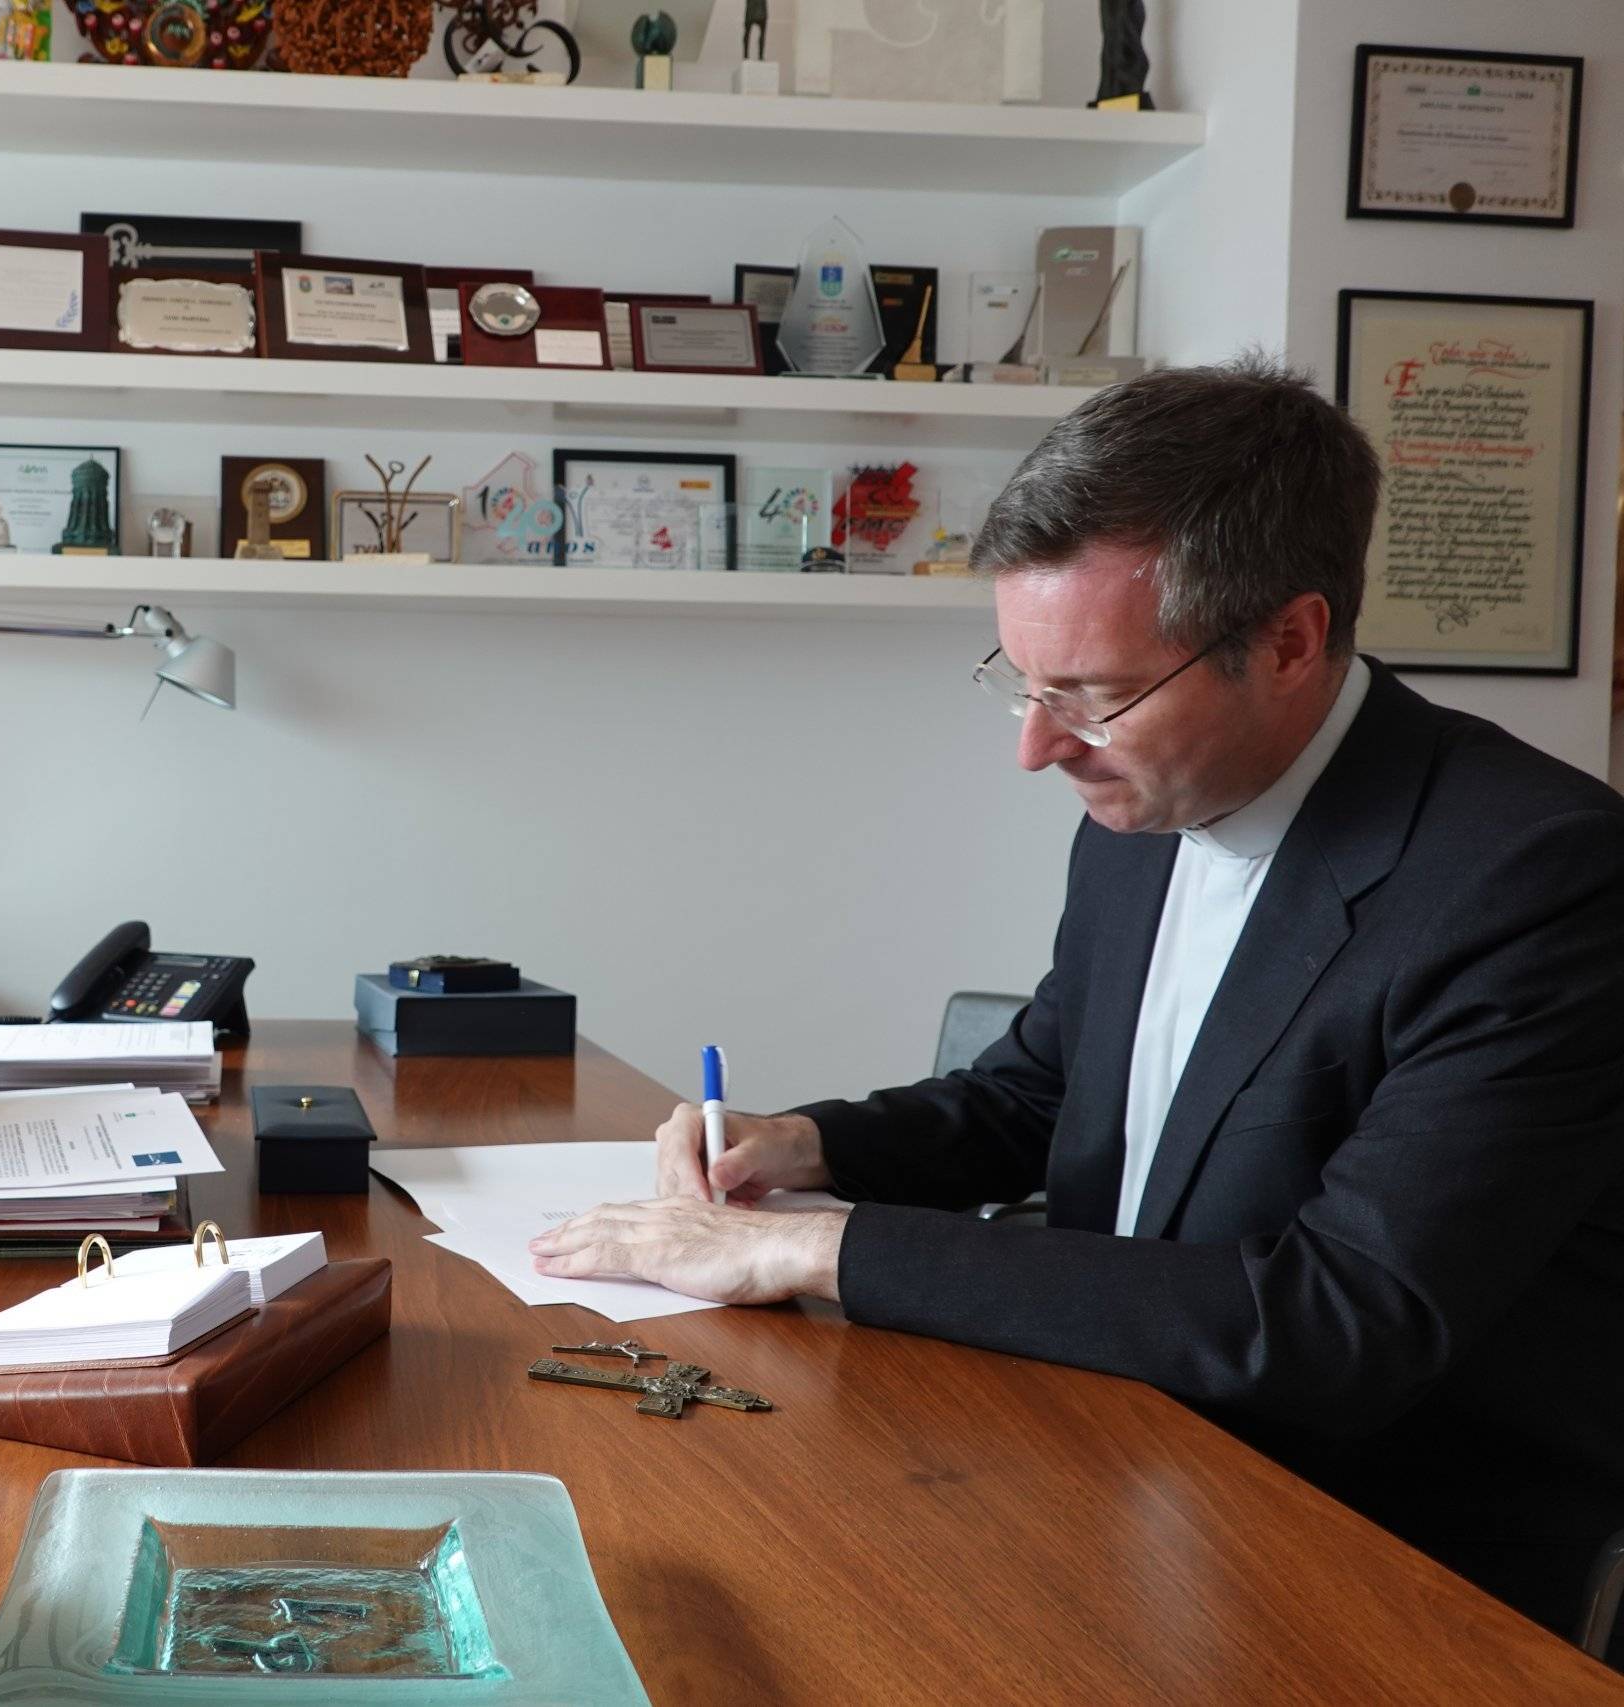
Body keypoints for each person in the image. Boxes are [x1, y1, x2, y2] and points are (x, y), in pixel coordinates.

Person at [530, 357, 1624, 1644]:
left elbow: (1338, 1321)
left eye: (1092, 696)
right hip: (1106, 1450)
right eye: (1020, 679)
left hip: (1381, 1562)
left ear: (1288, 640)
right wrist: (802, 1147)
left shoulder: (1541, 879)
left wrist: (811, 1246)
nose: (1035, 747)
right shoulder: (1144, 801)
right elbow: (1044, 1088)